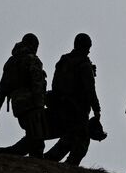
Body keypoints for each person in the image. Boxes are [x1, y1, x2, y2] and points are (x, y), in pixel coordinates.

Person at [43, 33, 102, 165]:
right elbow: (90, 90)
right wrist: (97, 109)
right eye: (88, 47)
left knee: (69, 136)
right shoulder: (84, 65)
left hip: (60, 105)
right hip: (77, 110)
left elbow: (55, 84)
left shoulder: (64, 60)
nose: (89, 50)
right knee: (82, 140)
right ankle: (69, 165)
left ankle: (49, 160)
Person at [0, 33, 47, 156]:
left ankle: (9, 153)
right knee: (37, 141)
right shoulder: (32, 60)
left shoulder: (11, 62)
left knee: (33, 137)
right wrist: (40, 105)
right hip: (32, 105)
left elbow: (1, 91)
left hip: (18, 107)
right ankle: (10, 153)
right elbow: (37, 85)